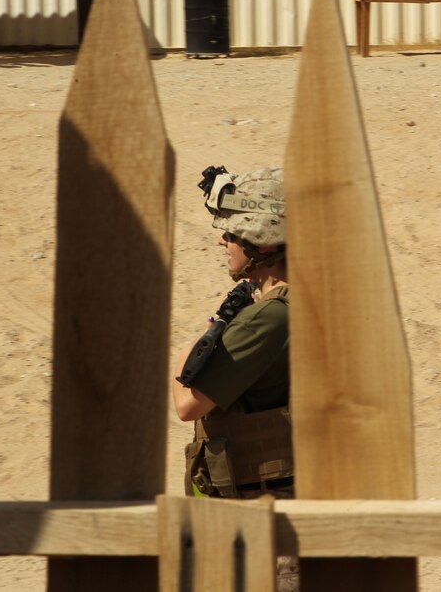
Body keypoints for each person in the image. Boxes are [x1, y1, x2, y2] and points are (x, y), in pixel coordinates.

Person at [172, 165, 298, 590]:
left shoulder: (269, 316)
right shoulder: (290, 302)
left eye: (232, 233)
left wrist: (212, 326)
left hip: (260, 517)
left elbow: (188, 403)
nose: (223, 241)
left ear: (262, 239)